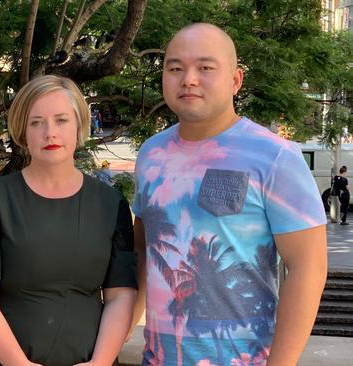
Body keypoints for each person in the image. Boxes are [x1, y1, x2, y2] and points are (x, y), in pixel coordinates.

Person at [131, 23, 327, 365]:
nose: (188, 79)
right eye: (175, 68)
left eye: (205, 68)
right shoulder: (151, 154)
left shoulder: (275, 156)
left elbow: (308, 267)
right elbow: (143, 255)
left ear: (235, 80)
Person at [0, 75, 137, 365]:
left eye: (61, 120)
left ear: (80, 126)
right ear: (22, 131)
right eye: (36, 122)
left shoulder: (109, 203)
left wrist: (100, 363)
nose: (49, 133)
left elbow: (120, 296)